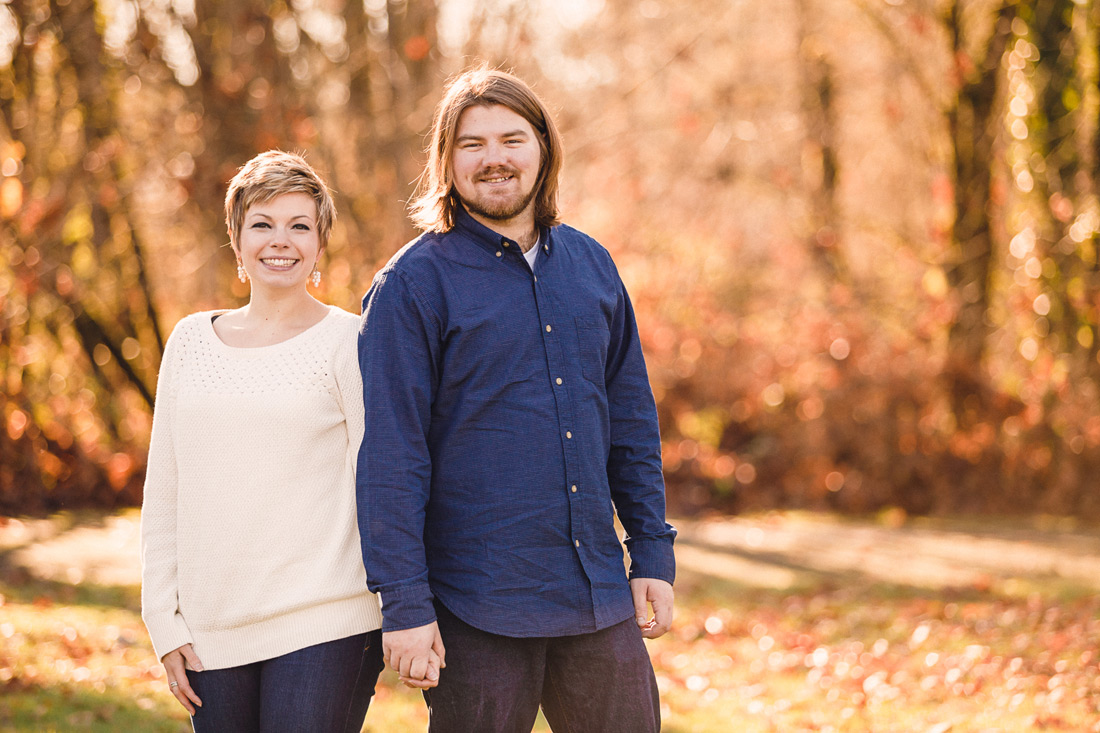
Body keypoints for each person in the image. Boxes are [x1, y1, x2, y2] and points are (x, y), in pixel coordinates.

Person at [356, 67, 677, 731]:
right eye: (471, 144)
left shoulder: (592, 265)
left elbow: (631, 424)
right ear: (446, 162)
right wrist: (406, 604)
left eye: (511, 139)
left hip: (597, 595)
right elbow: (391, 458)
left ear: (543, 148)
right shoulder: (411, 286)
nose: (493, 158)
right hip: (476, 606)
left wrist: (652, 551)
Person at [140, 150, 385, 732]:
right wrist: (163, 623)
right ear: (236, 238)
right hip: (211, 631)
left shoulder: (350, 341)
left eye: (300, 225)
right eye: (262, 224)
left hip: (326, 621)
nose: (281, 241)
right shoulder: (189, 342)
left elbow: (379, 484)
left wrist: (405, 605)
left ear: (320, 244)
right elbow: (164, 493)